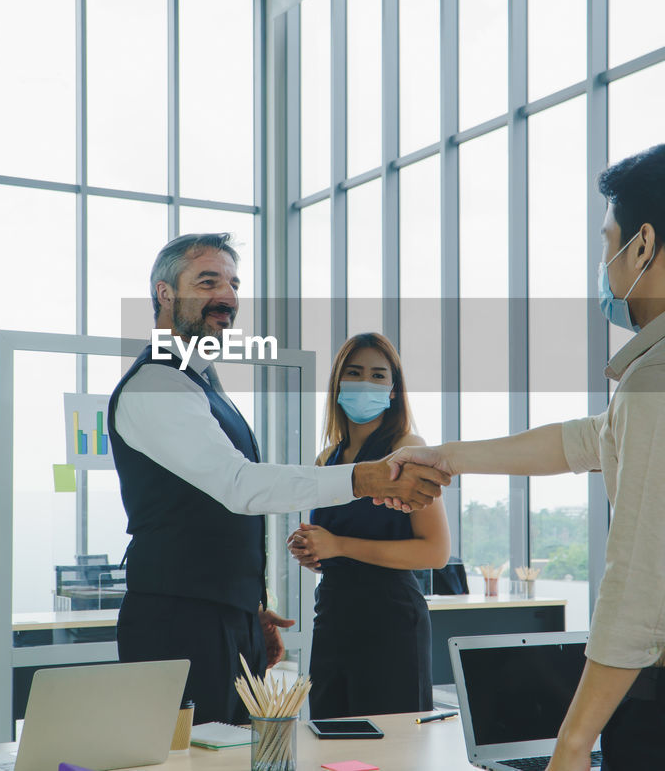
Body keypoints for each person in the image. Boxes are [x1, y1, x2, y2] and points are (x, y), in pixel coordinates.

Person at [387, 140, 665, 771]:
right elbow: (588, 440)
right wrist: (448, 457)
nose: (604, 260)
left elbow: (639, 587)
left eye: (609, 240)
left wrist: (571, 746)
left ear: (644, 245)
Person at [107, 232, 449, 726]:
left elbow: (213, 513)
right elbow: (240, 486)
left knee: (229, 754)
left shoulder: (198, 382)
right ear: (164, 293)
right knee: (190, 758)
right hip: (180, 621)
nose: (226, 297)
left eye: (232, 283)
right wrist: (363, 480)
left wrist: (248, 608)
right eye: (207, 282)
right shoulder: (158, 384)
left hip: (225, 617)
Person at [286, 333, 450, 719]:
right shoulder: (326, 458)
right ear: (337, 384)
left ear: (393, 390)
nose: (365, 383)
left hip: (390, 620)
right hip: (332, 615)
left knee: (390, 751)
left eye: (378, 376)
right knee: (332, 746)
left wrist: (339, 545)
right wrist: (310, 547)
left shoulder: (410, 449)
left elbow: (435, 551)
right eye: (354, 372)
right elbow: (327, 541)